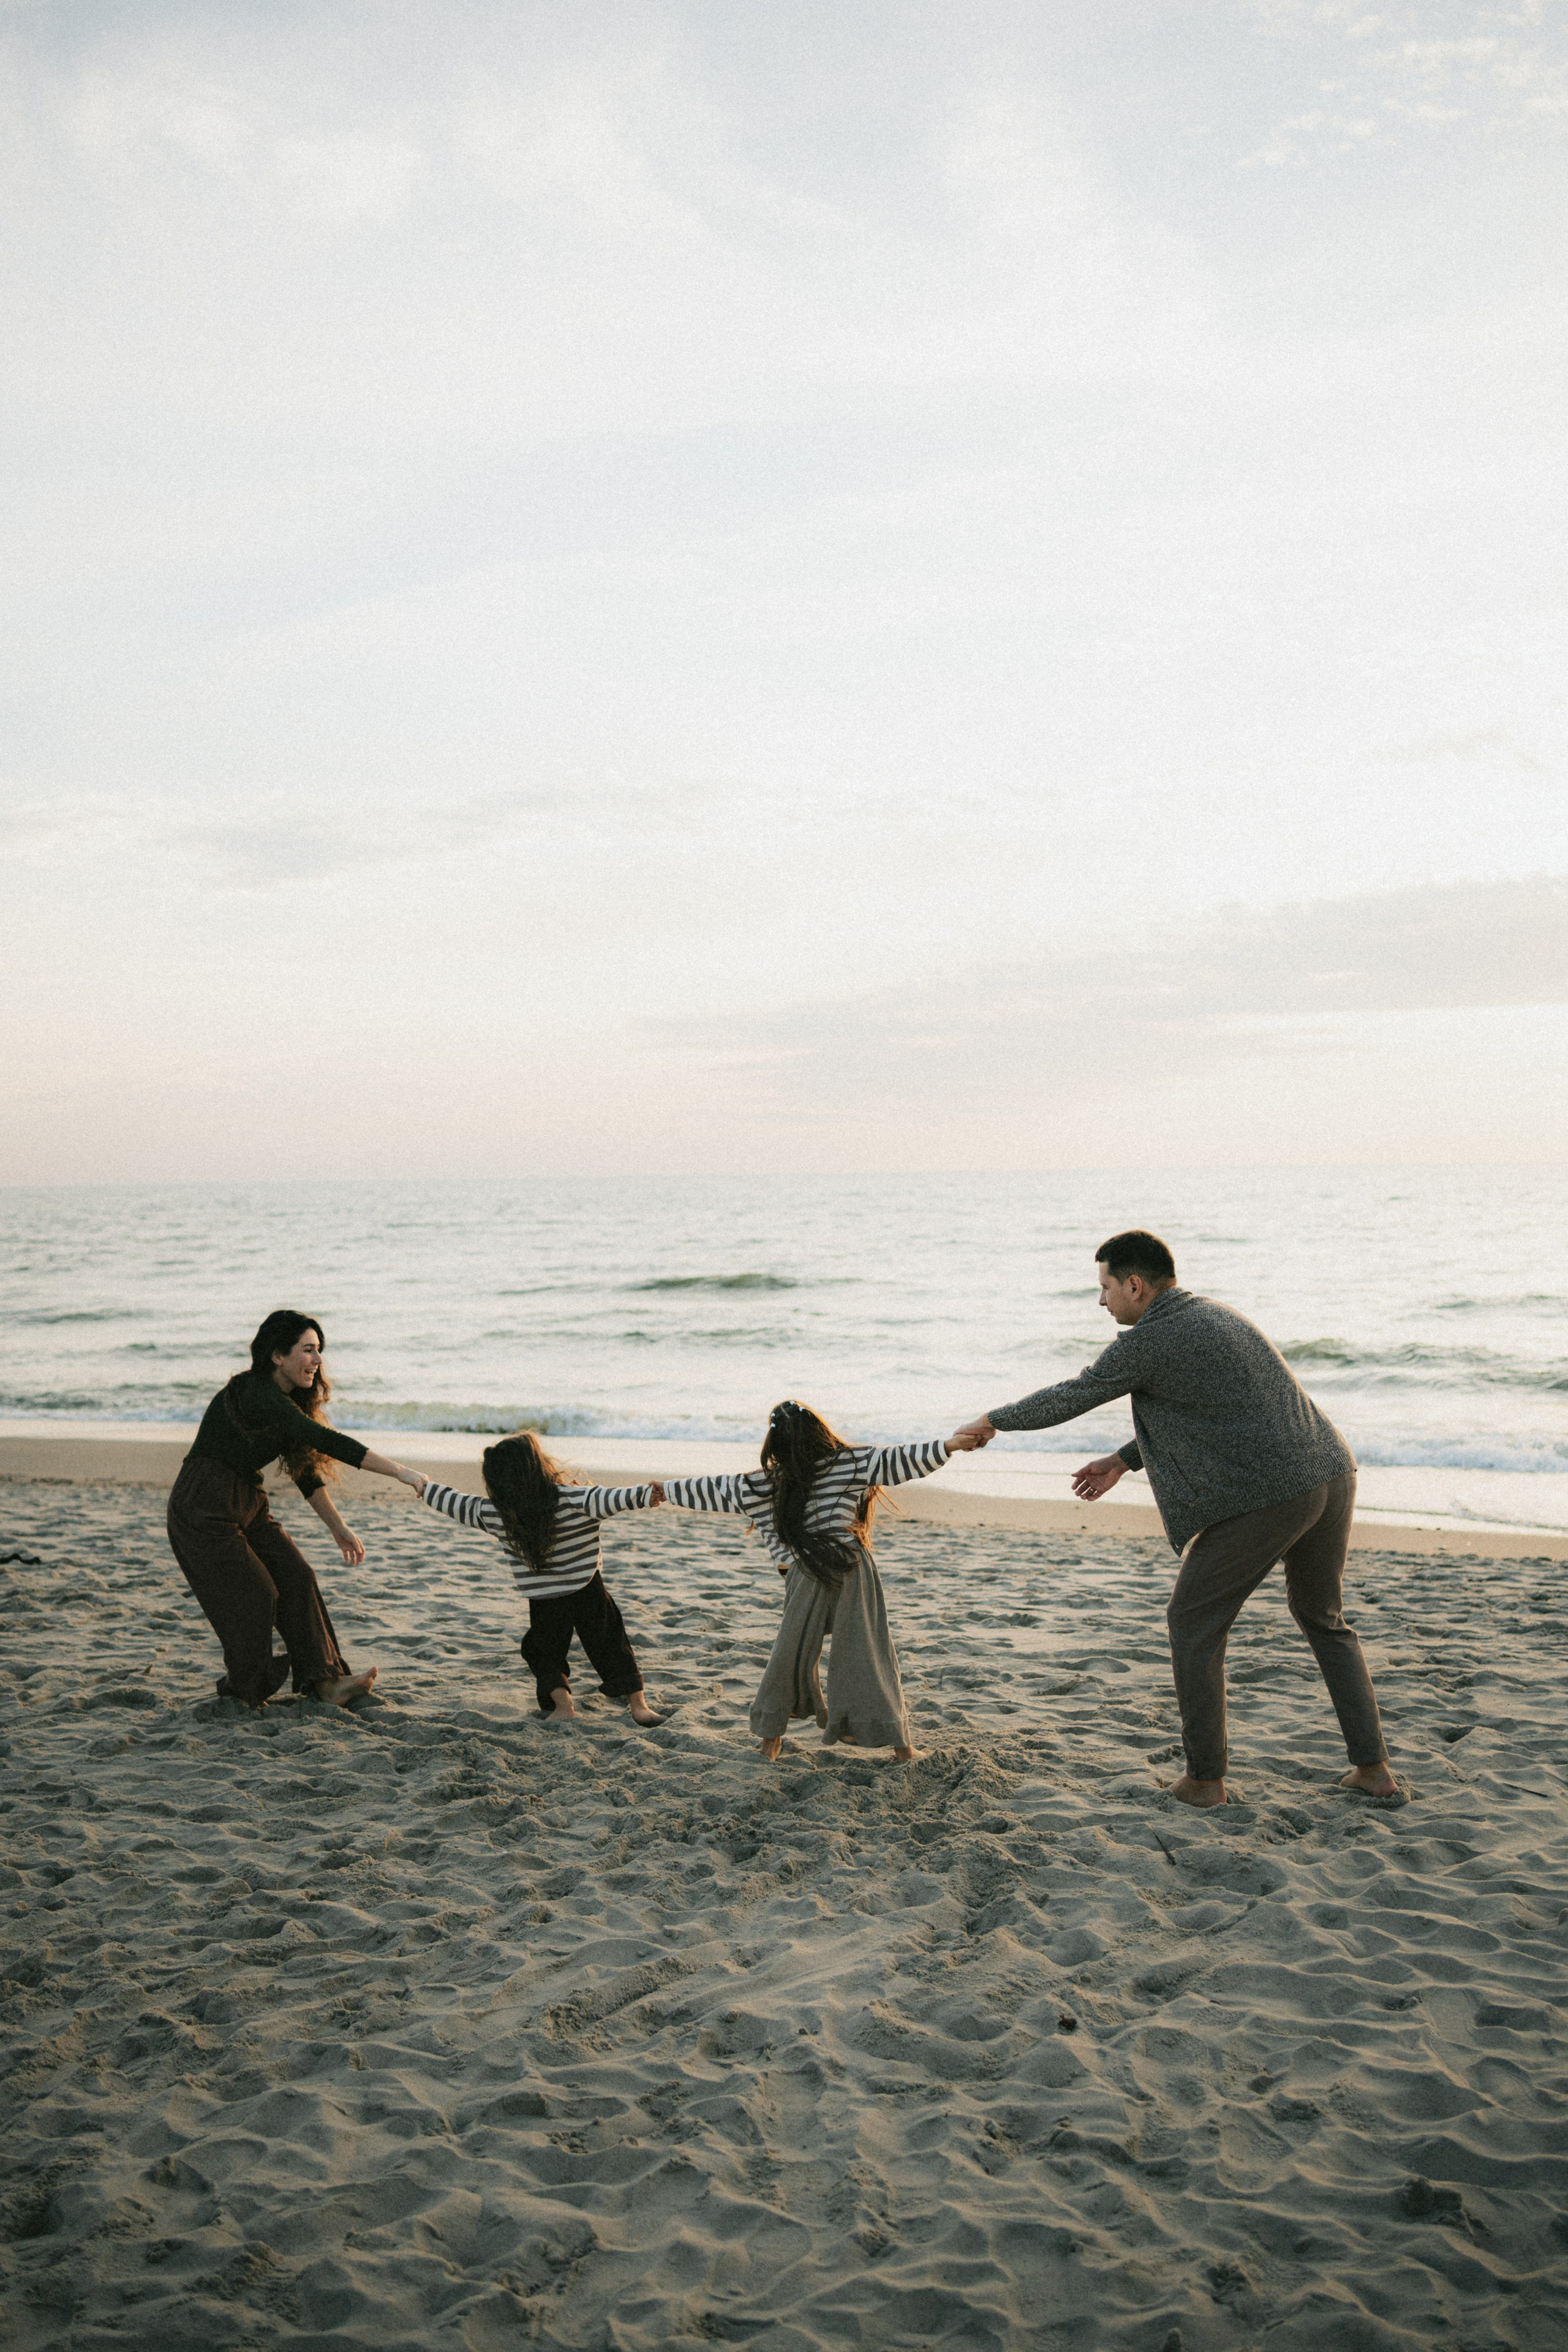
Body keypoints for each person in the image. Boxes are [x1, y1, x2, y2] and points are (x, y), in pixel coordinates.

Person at [958, 1231, 1396, 1809]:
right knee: (1324, 1619)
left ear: (1135, 1285)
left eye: (1106, 1288)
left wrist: (992, 1420)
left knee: (1192, 1623)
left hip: (1274, 1491)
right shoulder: (1215, 1316)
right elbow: (1216, 1410)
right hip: (1330, 1471)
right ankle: (1374, 1771)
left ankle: (1205, 1781)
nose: (1102, 1303)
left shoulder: (1151, 1339)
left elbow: (1073, 1395)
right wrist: (1122, 1460)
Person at [661, 1403, 983, 1761]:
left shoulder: (761, 1483)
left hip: (803, 1574)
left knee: (790, 1654)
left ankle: (770, 1742)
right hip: (850, 1566)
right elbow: (902, 1460)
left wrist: (664, 1490)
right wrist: (952, 1445)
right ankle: (902, 1749)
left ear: (774, 1443)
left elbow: (708, 1489)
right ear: (820, 1432)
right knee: (868, 1655)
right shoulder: (850, 1463)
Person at [167, 1310, 421, 1708]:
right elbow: (323, 1439)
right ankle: (243, 1691)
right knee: (258, 1594)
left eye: (319, 1350)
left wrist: (338, 1528)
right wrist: (399, 1471)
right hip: (203, 1506)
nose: (318, 1360)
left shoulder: (286, 1404)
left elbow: (306, 1473)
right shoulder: (253, 1391)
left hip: (247, 1503)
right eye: (308, 1350)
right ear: (277, 1356)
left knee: (297, 1577)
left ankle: (326, 1682)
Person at [411, 1432, 664, 1724]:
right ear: (538, 1466)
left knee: (542, 1652)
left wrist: (425, 1487)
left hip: (543, 1597)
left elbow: (457, 1503)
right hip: (586, 1588)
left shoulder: (496, 1513)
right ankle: (639, 1708)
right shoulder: (576, 1499)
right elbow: (613, 1498)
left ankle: (563, 1707)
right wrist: (646, 1494)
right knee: (611, 1643)